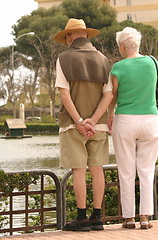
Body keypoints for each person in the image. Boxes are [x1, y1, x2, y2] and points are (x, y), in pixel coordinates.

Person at [54, 18, 113, 231]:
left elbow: (64, 94)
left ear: (69, 37)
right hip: (97, 125)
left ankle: (81, 218)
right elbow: (108, 95)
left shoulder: (63, 58)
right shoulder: (103, 59)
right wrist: (94, 120)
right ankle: (97, 217)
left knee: (79, 170)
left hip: (72, 125)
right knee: (97, 169)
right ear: (87, 35)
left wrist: (79, 121)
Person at [107, 27, 158, 229]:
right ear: (137, 44)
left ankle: (129, 218)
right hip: (150, 120)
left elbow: (112, 96)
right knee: (146, 171)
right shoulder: (154, 63)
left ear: (122, 46)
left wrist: (110, 116)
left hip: (125, 120)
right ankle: (145, 217)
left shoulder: (117, 68)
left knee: (126, 171)